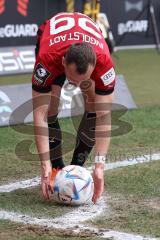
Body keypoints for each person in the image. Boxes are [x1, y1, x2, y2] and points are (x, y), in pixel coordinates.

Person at [32, 12, 116, 204]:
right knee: (51, 107)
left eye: (83, 80)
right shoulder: (48, 60)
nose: (77, 86)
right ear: (63, 64)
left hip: (89, 42)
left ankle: (76, 168)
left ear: (94, 68)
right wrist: (44, 163)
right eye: (72, 80)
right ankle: (55, 168)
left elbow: (104, 116)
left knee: (94, 105)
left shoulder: (104, 63)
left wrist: (100, 167)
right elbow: (40, 113)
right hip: (52, 38)